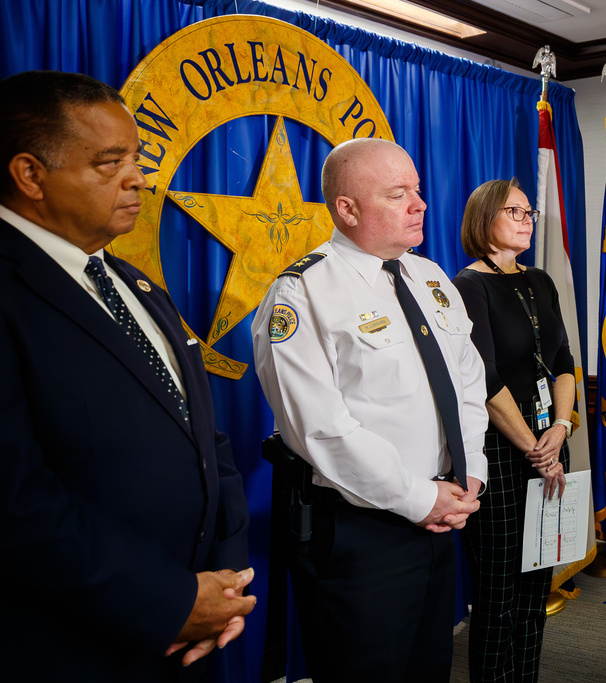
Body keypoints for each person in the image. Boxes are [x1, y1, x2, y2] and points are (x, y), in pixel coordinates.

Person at [0, 70, 255, 681]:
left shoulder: (131, 283)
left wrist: (226, 584)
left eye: (136, 157)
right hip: (74, 646)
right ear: (31, 175)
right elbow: (15, 500)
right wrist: (168, 601)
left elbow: (203, 436)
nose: (137, 177)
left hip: (197, 628)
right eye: (109, 162)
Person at [252, 137, 489, 682]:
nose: (420, 204)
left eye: (419, 191)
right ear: (348, 208)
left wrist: (468, 474)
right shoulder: (303, 293)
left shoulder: (430, 279)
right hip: (362, 534)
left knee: (430, 667)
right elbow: (320, 430)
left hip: (444, 513)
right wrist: (420, 498)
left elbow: (468, 383)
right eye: (398, 193)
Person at [452, 178, 572, 682]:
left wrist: (561, 428)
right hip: (500, 453)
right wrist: (534, 447)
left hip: (548, 439)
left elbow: (564, 359)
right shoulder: (468, 285)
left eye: (529, 212)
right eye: (515, 211)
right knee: (499, 593)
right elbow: (484, 378)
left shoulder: (540, 280)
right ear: (484, 220)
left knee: (535, 584)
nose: (527, 219)